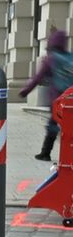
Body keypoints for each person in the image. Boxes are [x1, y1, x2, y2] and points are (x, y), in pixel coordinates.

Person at [20, 29, 71, 161]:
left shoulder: (50, 59)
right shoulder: (70, 58)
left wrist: (25, 91)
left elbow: (38, 78)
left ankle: (45, 153)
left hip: (57, 100)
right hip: (71, 99)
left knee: (53, 125)